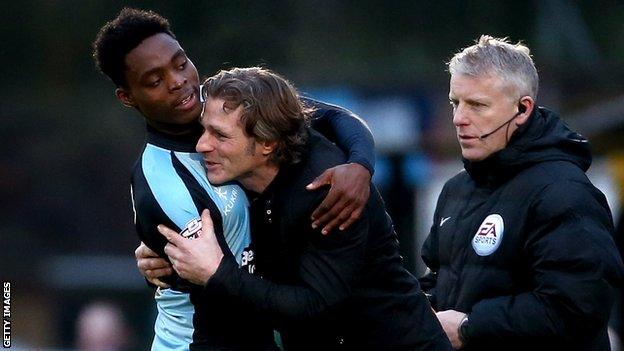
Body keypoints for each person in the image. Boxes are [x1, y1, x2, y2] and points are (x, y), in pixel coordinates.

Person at [92, 8, 376, 350]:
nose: (178, 81)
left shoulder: (224, 102)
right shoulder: (167, 184)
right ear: (127, 97)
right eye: (155, 81)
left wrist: (360, 166)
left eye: (181, 63)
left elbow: (333, 117)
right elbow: (234, 288)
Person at [157, 67, 452, 350]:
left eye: (220, 136)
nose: (201, 145)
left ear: (267, 144)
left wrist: (216, 274)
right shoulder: (245, 169)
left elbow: (314, 305)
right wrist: (162, 255)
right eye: (204, 130)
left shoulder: (327, 191)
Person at [418, 35, 624, 350]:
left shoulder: (564, 192)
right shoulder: (455, 190)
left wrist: (469, 327)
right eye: (455, 103)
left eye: (477, 105)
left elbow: (577, 309)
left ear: (523, 109)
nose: (459, 118)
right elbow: (439, 282)